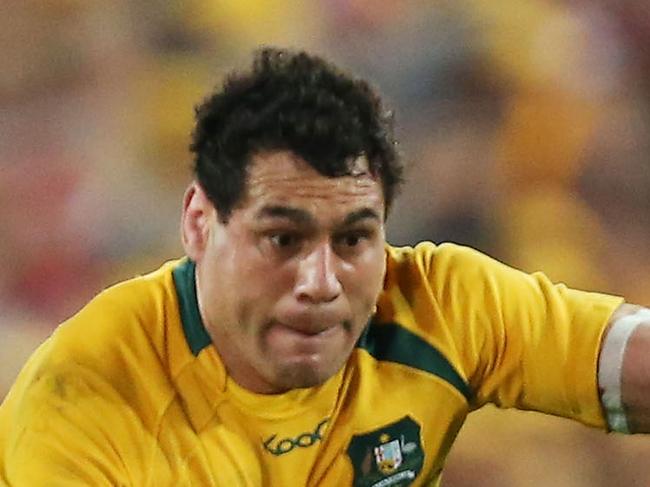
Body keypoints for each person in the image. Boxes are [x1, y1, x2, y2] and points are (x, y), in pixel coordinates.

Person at [0, 47, 648, 487]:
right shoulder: (83, 400)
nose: (321, 282)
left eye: (353, 240)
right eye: (282, 240)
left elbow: (631, 360)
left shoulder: (437, 305)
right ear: (199, 222)